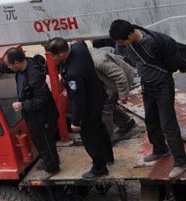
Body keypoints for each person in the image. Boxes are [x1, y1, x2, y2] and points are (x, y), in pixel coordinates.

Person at [109, 20, 186, 178]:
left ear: (131, 34)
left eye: (122, 41)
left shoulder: (153, 42)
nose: (120, 45)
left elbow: (173, 63)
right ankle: (160, 150)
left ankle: (180, 162)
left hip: (163, 84)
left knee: (168, 124)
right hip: (147, 85)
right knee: (151, 120)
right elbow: (122, 58)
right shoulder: (123, 43)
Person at [0, 47, 60, 176]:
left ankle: (52, 166)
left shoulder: (34, 76)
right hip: (32, 114)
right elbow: (3, 67)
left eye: (9, 64)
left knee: (45, 141)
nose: (7, 67)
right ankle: (46, 160)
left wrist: (23, 105)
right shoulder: (20, 66)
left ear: (16, 63)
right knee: (37, 139)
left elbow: (42, 98)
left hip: (42, 116)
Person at [48, 38, 114, 180]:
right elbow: (79, 41)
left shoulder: (73, 73)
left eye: (53, 56)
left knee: (91, 139)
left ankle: (99, 168)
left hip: (87, 109)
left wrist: (76, 122)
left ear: (60, 55)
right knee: (100, 130)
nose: (52, 59)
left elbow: (78, 100)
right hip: (97, 98)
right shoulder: (79, 49)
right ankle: (108, 157)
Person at [89, 46, 139, 142]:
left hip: (120, 80)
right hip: (111, 80)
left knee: (105, 108)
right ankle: (127, 124)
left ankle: (108, 139)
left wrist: (123, 94)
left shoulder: (98, 60)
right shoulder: (88, 54)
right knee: (111, 105)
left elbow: (119, 75)